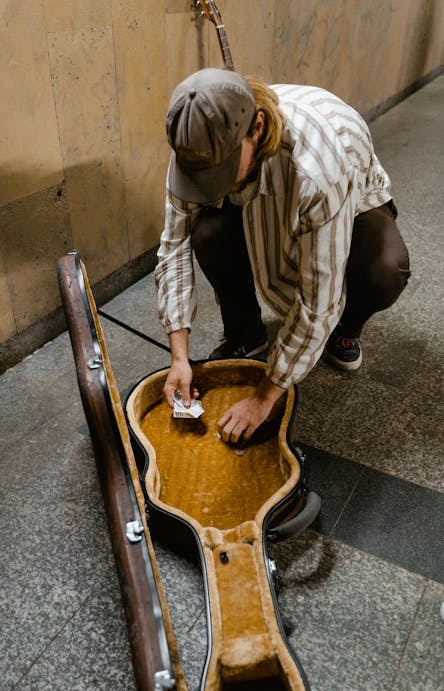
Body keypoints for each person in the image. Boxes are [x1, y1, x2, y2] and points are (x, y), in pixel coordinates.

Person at [155, 68, 410, 444]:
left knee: (384, 269)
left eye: (221, 169)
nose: (211, 184)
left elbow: (318, 296)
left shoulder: (319, 167)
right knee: (208, 231)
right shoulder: (197, 140)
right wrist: (179, 356)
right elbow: (174, 247)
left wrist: (267, 394)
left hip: (353, 198)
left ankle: (344, 333)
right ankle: (246, 332)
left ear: (256, 127)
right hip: (265, 180)